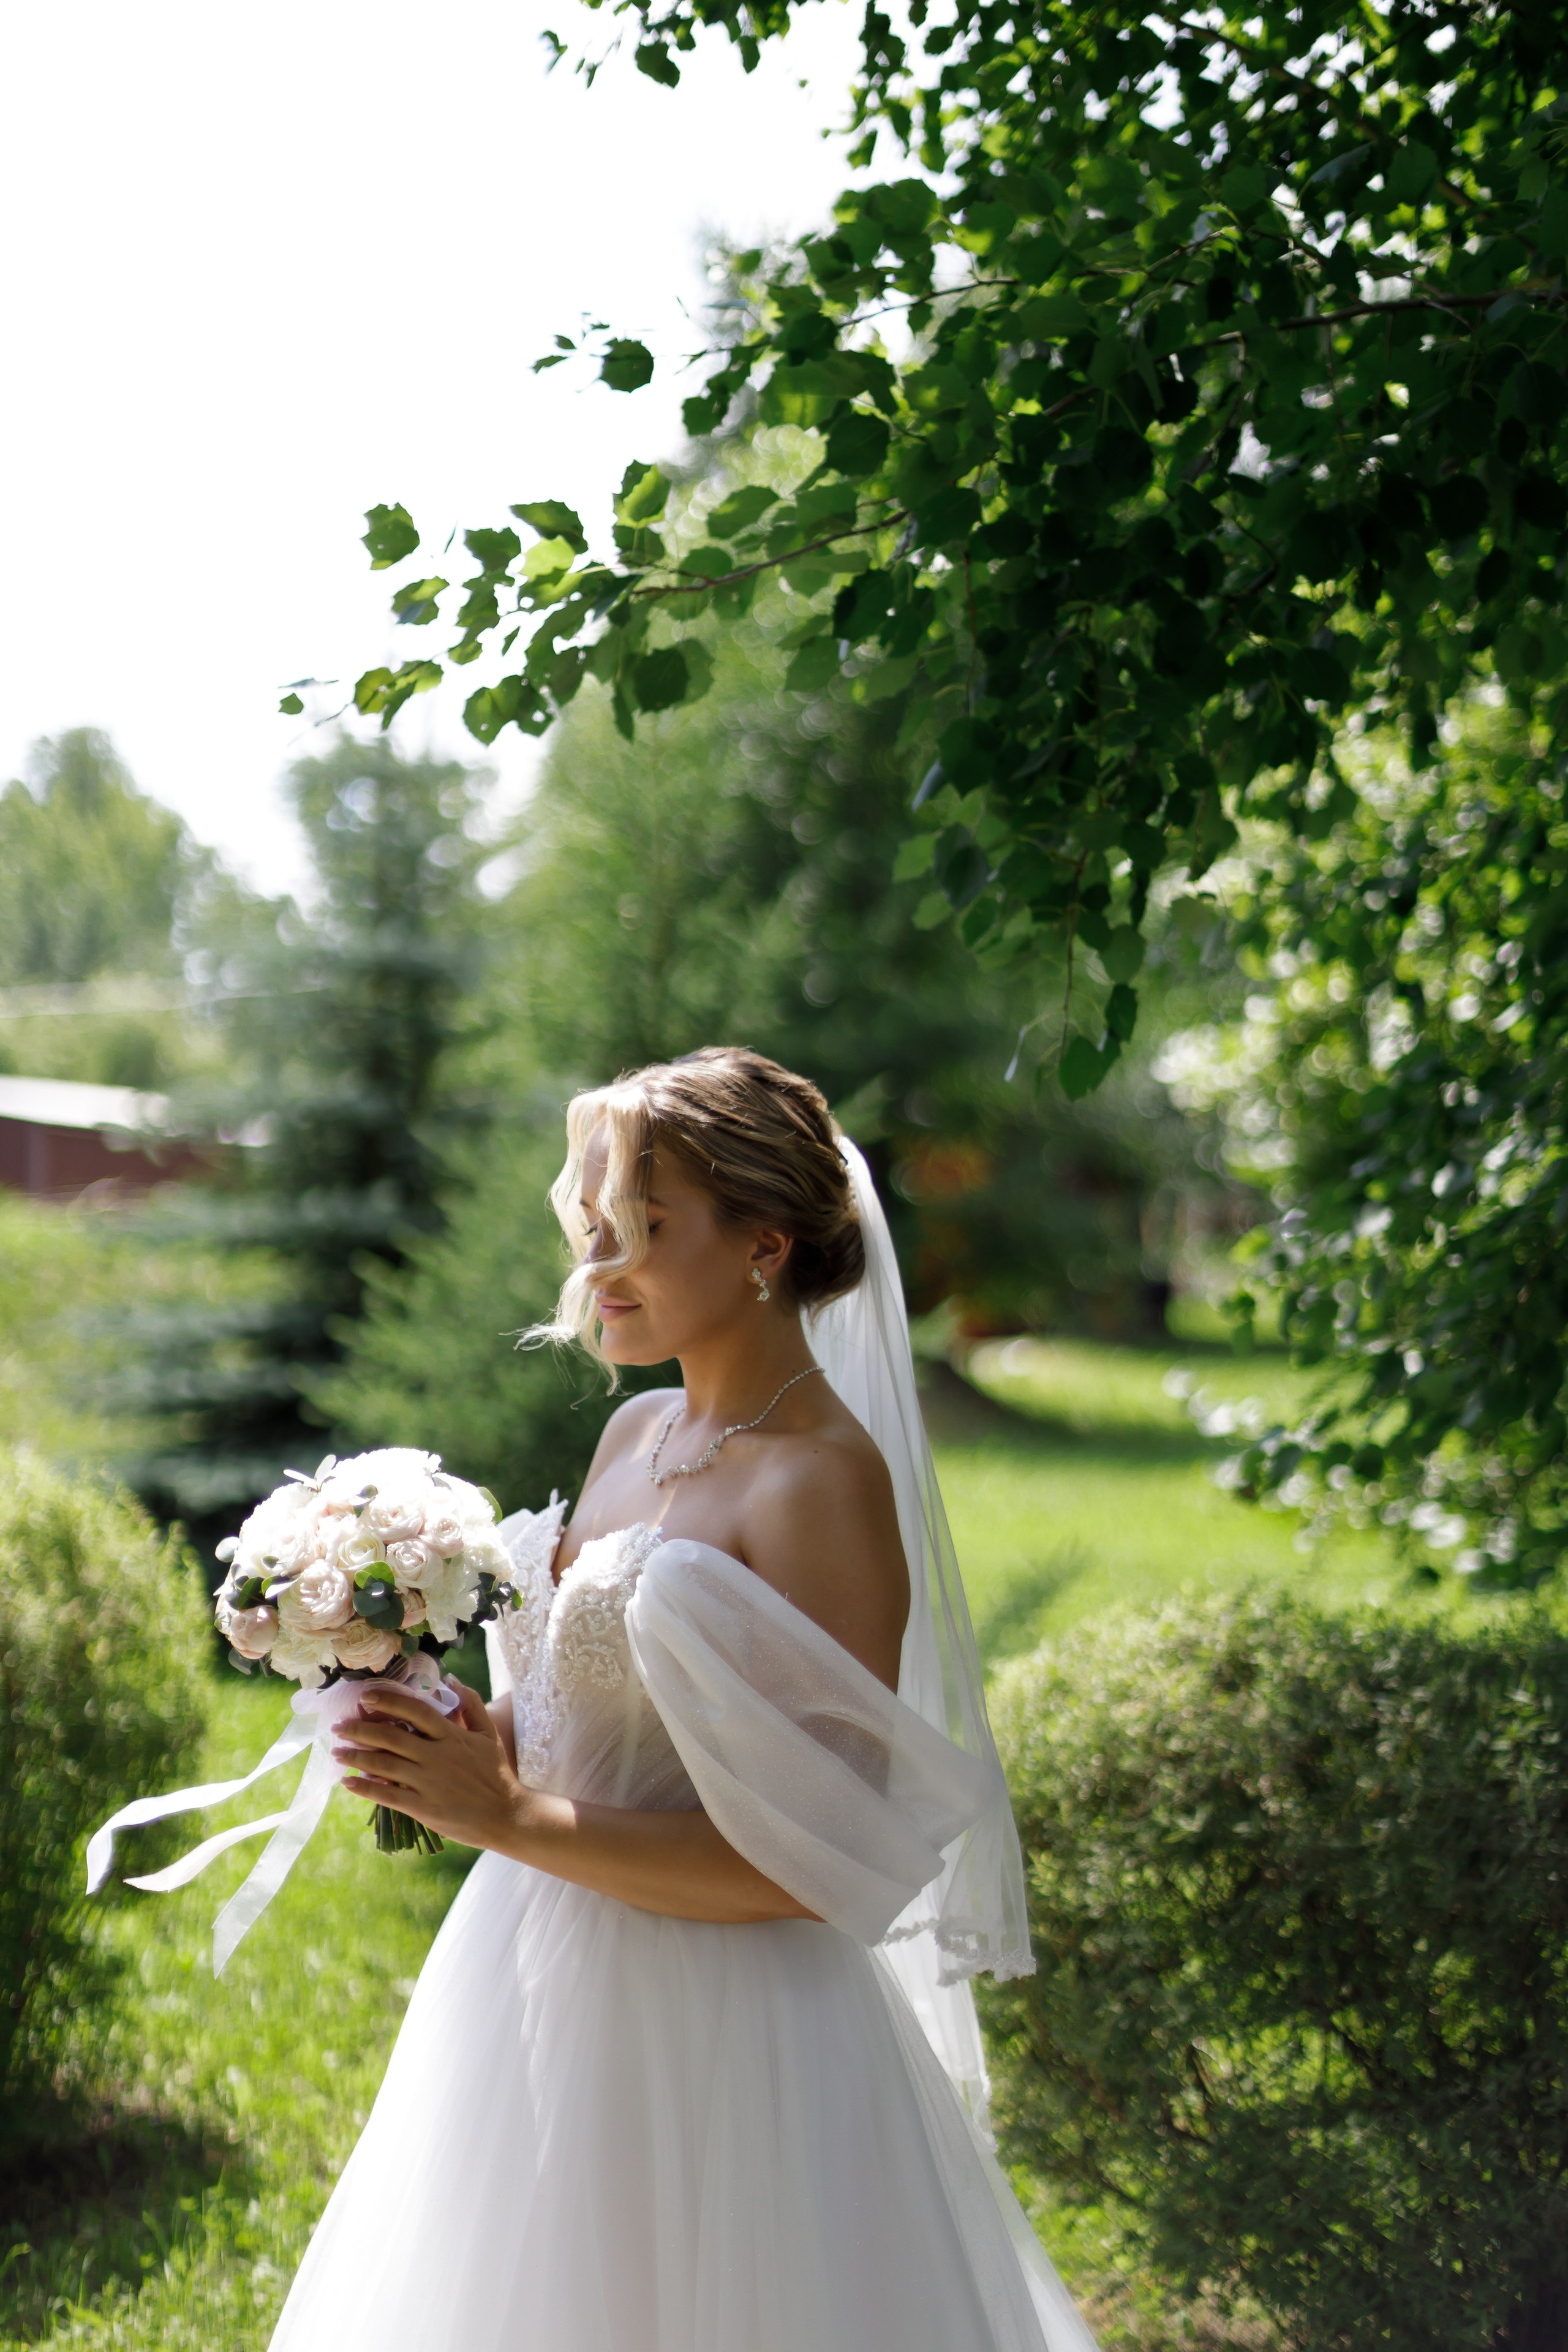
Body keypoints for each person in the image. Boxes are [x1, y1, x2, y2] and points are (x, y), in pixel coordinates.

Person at [266, 1047, 1097, 2352]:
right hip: (530, 1970)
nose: (596, 1266)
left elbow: (816, 1862)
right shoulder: (630, 1434)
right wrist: (448, 1731)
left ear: (763, 1246)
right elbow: (579, 1733)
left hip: (725, 2037)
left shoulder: (817, 1481)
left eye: (640, 1233)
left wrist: (511, 1819)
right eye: (590, 1227)